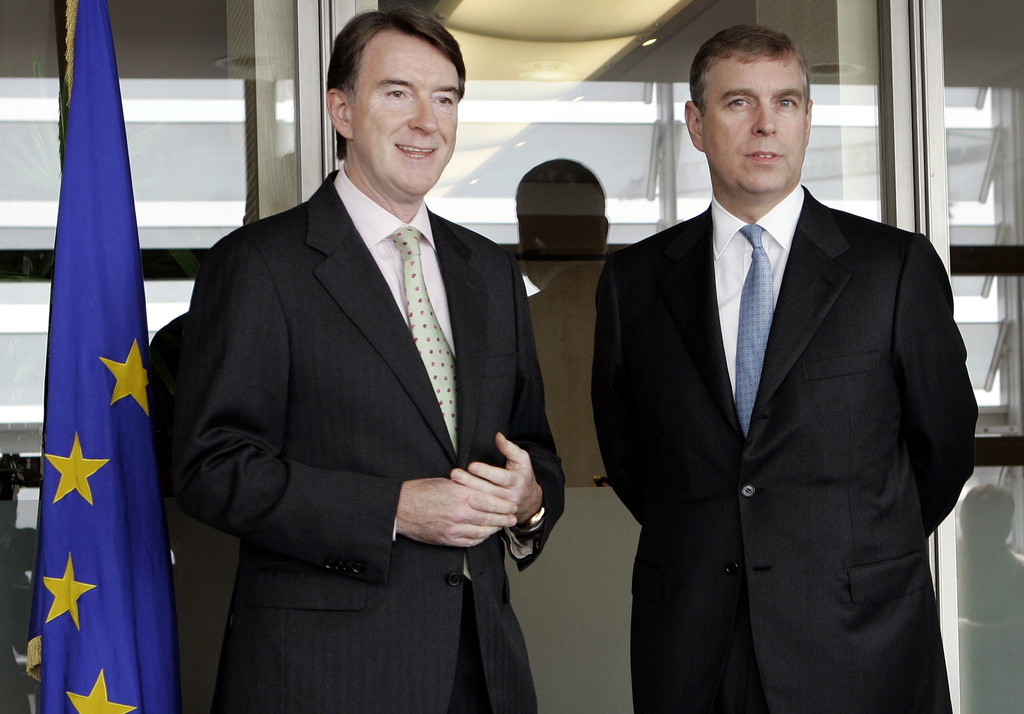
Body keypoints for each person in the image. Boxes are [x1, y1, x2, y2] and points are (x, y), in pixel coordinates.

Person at [172, 8, 563, 713]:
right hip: (324, 678)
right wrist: (393, 509)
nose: (426, 122)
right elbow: (212, 468)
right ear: (342, 111)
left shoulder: (490, 271)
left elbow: (535, 451)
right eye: (397, 93)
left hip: (483, 671)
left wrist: (529, 501)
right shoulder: (260, 265)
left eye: (445, 99)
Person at [591, 23, 977, 713]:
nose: (766, 124)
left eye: (787, 102)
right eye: (739, 102)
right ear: (697, 124)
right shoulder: (634, 282)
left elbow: (942, 450)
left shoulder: (893, 269)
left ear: (806, 119)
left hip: (861, 639)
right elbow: (631, 459)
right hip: (694, 643)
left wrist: (849, 548)